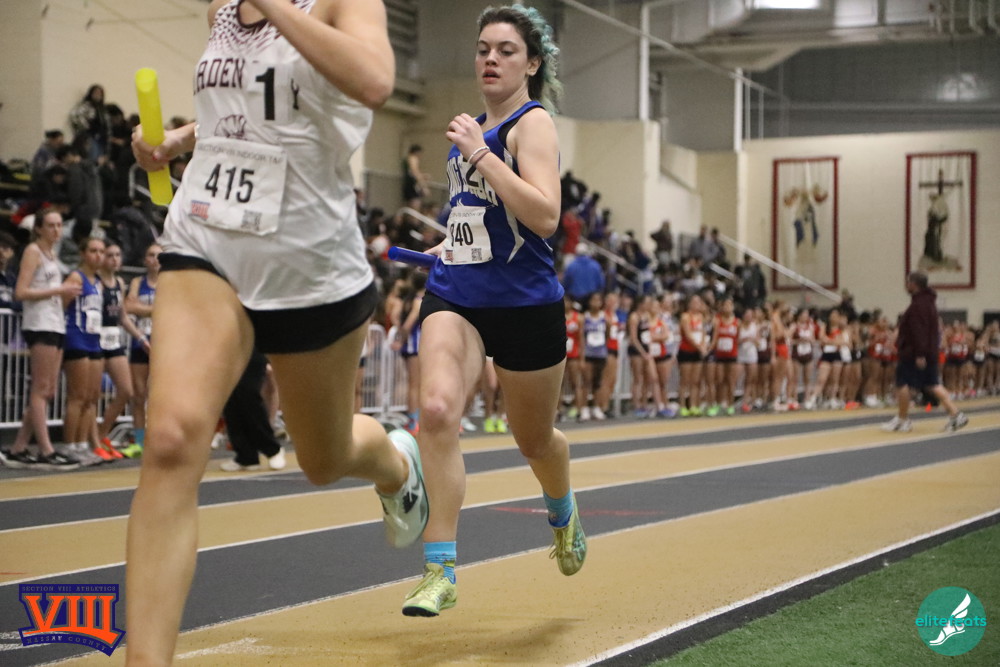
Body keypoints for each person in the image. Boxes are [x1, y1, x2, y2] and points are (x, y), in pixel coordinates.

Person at [126, 1, 428, 662]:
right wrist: (179, 141)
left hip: (307, 258)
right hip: (207, 233)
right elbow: (246, 108)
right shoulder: (221, 7)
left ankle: (395, 462)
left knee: (324, 459)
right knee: (172, 440)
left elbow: (373, 81)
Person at [402, 4, 585, 618]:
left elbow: (544, 217)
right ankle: (440, 570)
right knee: (435, 411)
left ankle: (562, 509)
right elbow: (479, 217)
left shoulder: (532, 125)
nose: (490, 59)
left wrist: (481, 154)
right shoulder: (473, 129)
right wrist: (449, 245)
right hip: (457, 293)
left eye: (506, 50)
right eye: (483, 48)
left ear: (531, 64)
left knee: (534, 441)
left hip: (525, 305)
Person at [3, 209, 81, 470]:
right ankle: (46, 450)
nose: (56, 230)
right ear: (38, 228)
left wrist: (63, 295)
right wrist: (59, 290)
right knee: (40, 388)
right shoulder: (33, 251)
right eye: (50, 225)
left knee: (48, 390)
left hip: (55, 322)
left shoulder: (52, 255)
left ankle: (18, 447)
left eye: (59, 225)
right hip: (39, 324)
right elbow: (21, 291)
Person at [882, 271, 968, 433]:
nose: (906, 285)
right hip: (927, 352)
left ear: (914, 284)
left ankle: (902, 419)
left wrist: (920, 354)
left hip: (914, 353)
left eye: (908, 282)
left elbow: (919, 332)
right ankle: (956, 415)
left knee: (902, 383)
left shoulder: (918, 306)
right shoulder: (927, 303)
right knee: (932, 384)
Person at [60, 236, 108, 467]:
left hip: (94, 340)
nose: (98, 255)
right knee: (77, 396)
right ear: (83, 253)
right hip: (77, 338)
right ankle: (69, 445)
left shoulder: (98, 282)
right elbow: (61, 305)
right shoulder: (76, 277)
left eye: (101, 251)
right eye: (93, 251)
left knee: (91, 397)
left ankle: (81, 444)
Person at [94, 242, 146, 456]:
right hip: (96, 339)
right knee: (91, 395)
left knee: (126, 391)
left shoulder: (120, 283)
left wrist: (140, 337)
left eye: (117, 255)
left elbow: (123, 316)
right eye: (110, 255)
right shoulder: (96, 282)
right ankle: (92, 440)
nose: (115, 259)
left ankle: (102, 433)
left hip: (114, 340)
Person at [219, 349, 287, 472]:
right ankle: (246, 457)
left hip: (252, 348)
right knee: (231, 401)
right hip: (226, 350)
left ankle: (273, 449)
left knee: (248, 393)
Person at [122, 242, 159, 458]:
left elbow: (171, 309)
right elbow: (128, 307)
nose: (154, 259)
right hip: (141, 342)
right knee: (138, 394)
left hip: (163, 344)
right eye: (151, 255)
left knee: (158, 395)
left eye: (158, 255)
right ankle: (139, 441)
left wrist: (143, 309)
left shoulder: (170, 283)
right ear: (145, 260)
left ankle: (157, 439)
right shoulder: (137, 282)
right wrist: (156, 309)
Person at [402, 144, 431, 209]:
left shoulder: (408, 159)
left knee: (409, 206)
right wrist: (424, 187)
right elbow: (415, 172)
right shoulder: (413, 158)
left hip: (409, 183)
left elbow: (412, 172)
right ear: (417, 152)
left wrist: (423, 175)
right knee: (415, 206)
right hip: (412, 184)